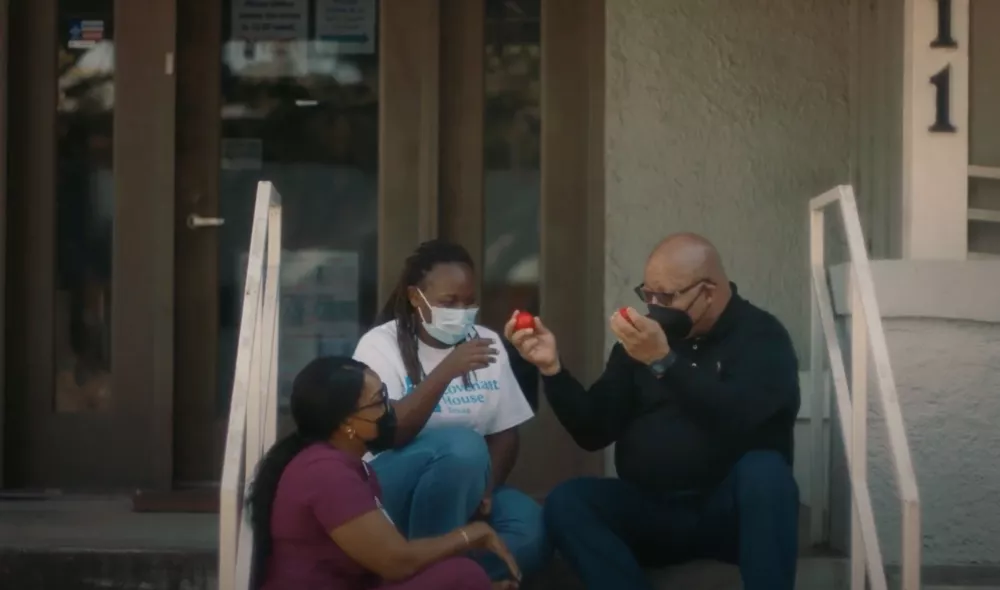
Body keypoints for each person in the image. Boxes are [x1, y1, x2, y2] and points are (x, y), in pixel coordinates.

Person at [505, 233, 801, 590]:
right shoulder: (640, 341)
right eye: (648, 294)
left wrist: (664, 362)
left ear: (708, 292)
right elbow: (593, 430)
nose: (655, 306)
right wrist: (552, 370)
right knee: (569, 501)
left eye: (667, 296)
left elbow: (741, 418)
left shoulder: (760, 336)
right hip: (654, 511)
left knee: (767, 472)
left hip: (730, 516)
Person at [352, 240, 550, 585]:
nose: (461, 310)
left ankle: (422, 578)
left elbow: (505, 432)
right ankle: (439, 576)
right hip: (388, 491)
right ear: (416, 297)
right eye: (449, 302)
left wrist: (486, 489)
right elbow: (388, 432)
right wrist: (446, 371)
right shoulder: (380, 345)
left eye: (469, 301)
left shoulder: (486, 341)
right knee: (462, 446)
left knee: (529, 527)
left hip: (466, 491)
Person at [246, 356, 519, 590]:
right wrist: (469, 536)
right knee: (464, 575)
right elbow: (395, 562)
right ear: (346, 423)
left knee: (462, 575)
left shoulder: (351, 465)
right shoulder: (325, 473)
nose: (390, 409)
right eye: (379, 402)